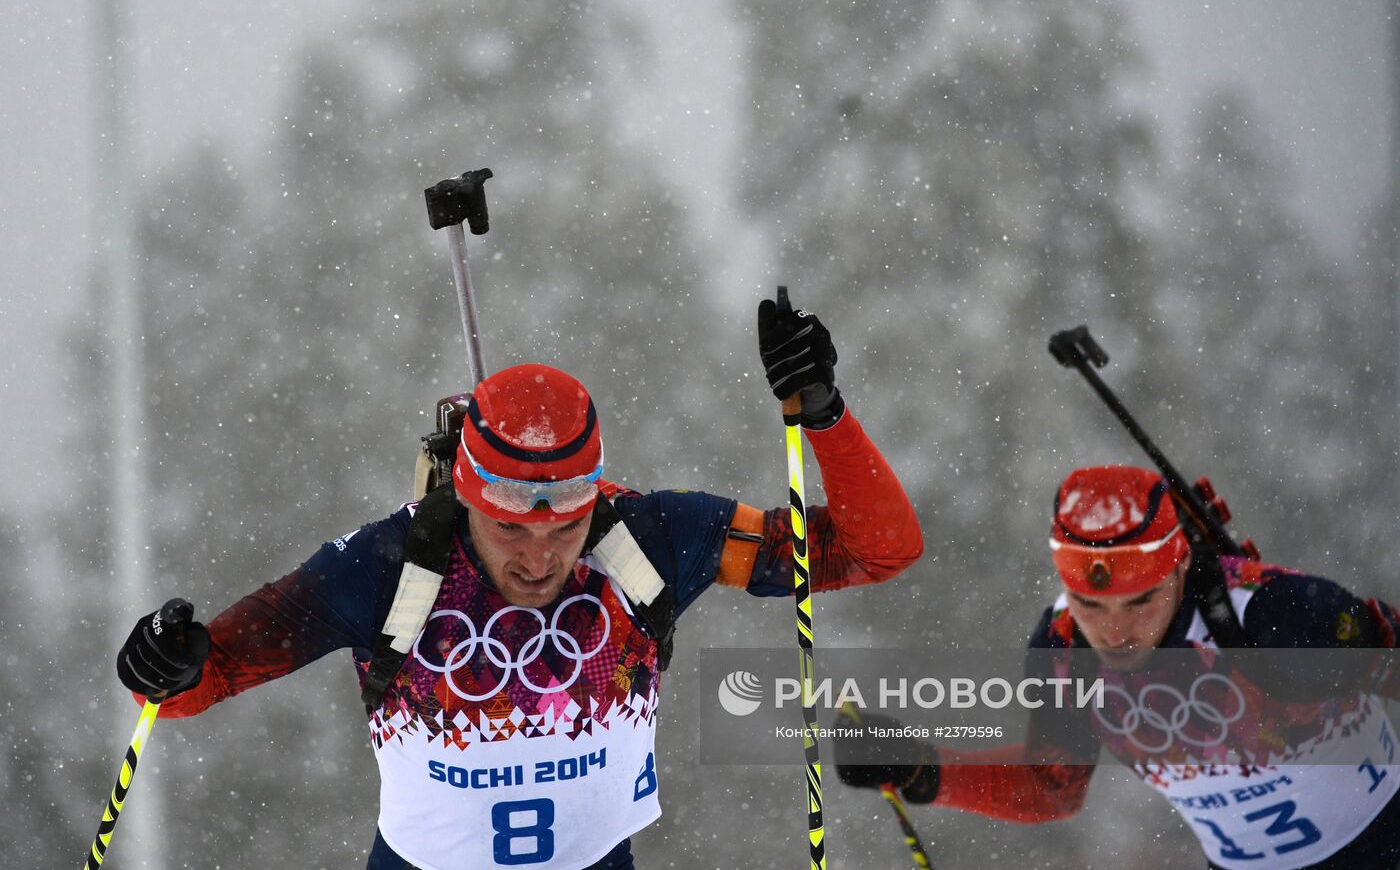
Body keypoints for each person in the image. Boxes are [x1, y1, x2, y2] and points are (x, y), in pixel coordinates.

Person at [115, 298, 924, 870]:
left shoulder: (652, 536)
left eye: (564, 527)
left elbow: (875, 549)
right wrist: (166, 661)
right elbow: (194, 683)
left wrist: (824, 413)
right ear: (464, 494)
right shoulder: (386, 565)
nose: (539, 559)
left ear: (596, 497)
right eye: (509, 527)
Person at [835, 465, 1400, 870]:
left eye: (1140, 601)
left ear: (1180, 570)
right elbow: (1052, 786)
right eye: (1089, 604)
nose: (1113, 630)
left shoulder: (1272, 613)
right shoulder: (1062, 653)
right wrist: (921, 769)